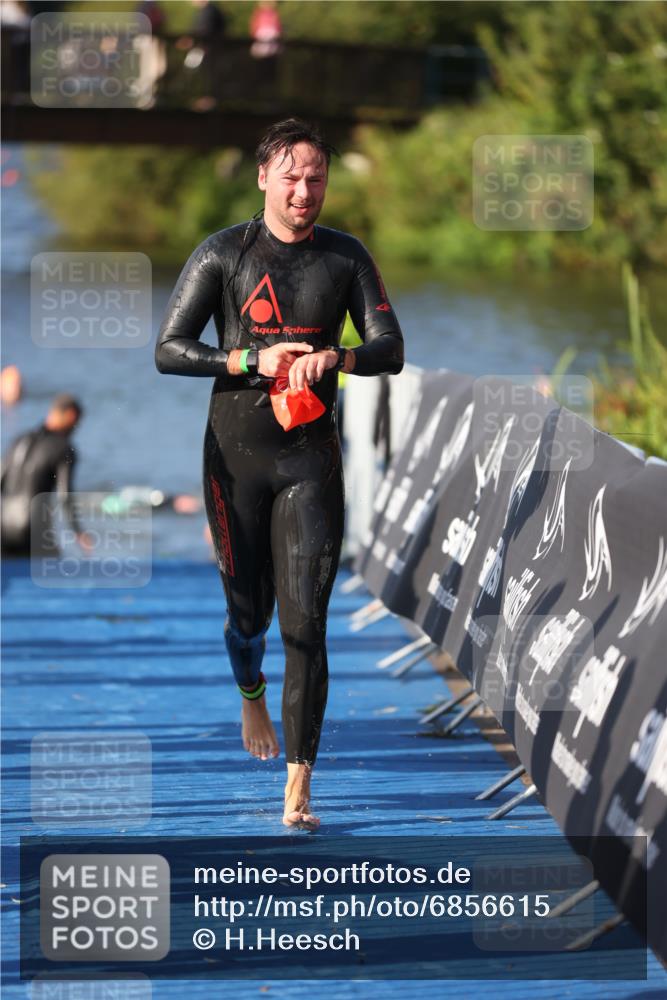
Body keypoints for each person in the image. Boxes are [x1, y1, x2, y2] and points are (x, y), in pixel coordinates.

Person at [155, 118, 404, 828]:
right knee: (248, 617)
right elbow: (169, 350)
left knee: (307, 621)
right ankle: (251, 695)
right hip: (233, 462)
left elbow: (389, 345)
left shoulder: (344, 258)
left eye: (316, 178)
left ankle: (299, 786)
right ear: (263, 176)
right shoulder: (222, 255)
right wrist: (247, 360)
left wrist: (340, 358)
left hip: (309, 460)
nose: (304, 191)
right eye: (291, 177)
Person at [1, 394, 92, 557]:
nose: (75, 429)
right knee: (53, 575)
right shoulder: (64, 448)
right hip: (32, 529)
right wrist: (78, 531)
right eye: (77, 423)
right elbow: (65, 496)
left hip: (4, 527)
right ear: (71, 416)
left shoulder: (19, 440)